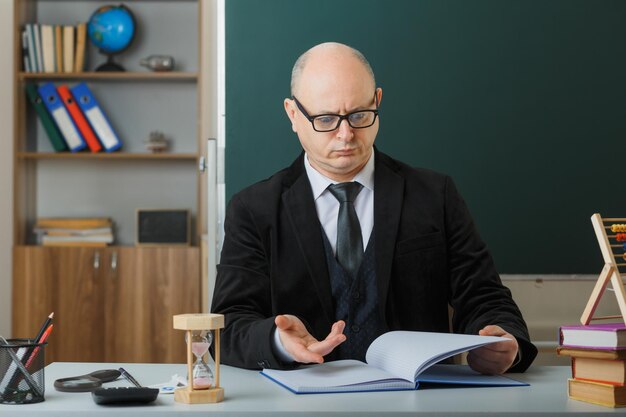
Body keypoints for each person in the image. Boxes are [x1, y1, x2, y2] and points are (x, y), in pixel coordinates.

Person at [212, 42, 537, 374]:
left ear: (377, 101)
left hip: (419, 401)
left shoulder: (434, 195)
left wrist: (503, 342)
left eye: (359, 115)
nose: (346, 133)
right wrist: (278, 341)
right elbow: (228, 325)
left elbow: (485, 296)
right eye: (325, 119)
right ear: (293, 114)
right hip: (302, 404)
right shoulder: (254, 209)